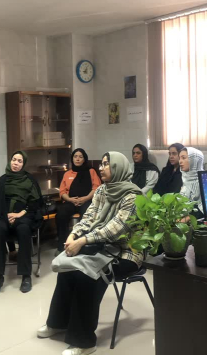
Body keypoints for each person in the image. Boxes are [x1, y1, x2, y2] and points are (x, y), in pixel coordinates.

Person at [37, 152, 143, 355]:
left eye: (107, 164)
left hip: (125, 253)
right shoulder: (103, 190)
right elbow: (88, 217)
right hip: (100, 247)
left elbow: (115, 229)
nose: (101, 168)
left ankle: (84, 342)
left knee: (88, 276)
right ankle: (58, 323)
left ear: (118, 168)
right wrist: (73, 235)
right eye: (101, 164)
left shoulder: (133, 196)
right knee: (68, 268)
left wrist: (83, 241)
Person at [0, 151, 43, 294]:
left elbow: (35, 204)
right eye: (13, 160)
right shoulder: (2, 180)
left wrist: (19, 214)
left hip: (24, 215)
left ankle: (26, 276)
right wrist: (6, 215)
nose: (15, 163)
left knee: (24, 229)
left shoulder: (29, 180)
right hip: (3, 215)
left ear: (23, 164)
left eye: (19, 161)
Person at [55, 148, 101, 254]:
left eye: (80, 157)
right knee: (61, 214)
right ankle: (62, 246)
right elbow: (62, 191)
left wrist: (85, 198)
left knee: (87, 215)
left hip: (87, 200)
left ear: (84, 159)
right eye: (75, 156)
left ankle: (82, 245)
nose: (78, 159)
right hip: (70, 201)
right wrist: (70, 199)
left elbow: (97, 188)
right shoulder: (67, 174)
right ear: (72, 159)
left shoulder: (91, 171)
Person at [179, 147, 205, 219]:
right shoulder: (184, 179)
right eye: (179, 158)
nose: (180, 161)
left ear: (194, 160)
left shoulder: (204, 181)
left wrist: (186, 219)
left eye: (183, 158)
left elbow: (203, 210)